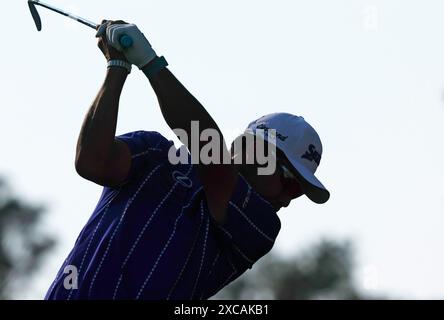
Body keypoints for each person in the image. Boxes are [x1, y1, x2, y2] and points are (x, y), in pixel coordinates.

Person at [45, 20, 330, 300]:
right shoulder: (154, 152)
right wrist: (117, 67)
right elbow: (91, 162)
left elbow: (210, 149)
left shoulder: (261, 226)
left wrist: (150, 63)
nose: (289, 198)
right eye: (291, 184)